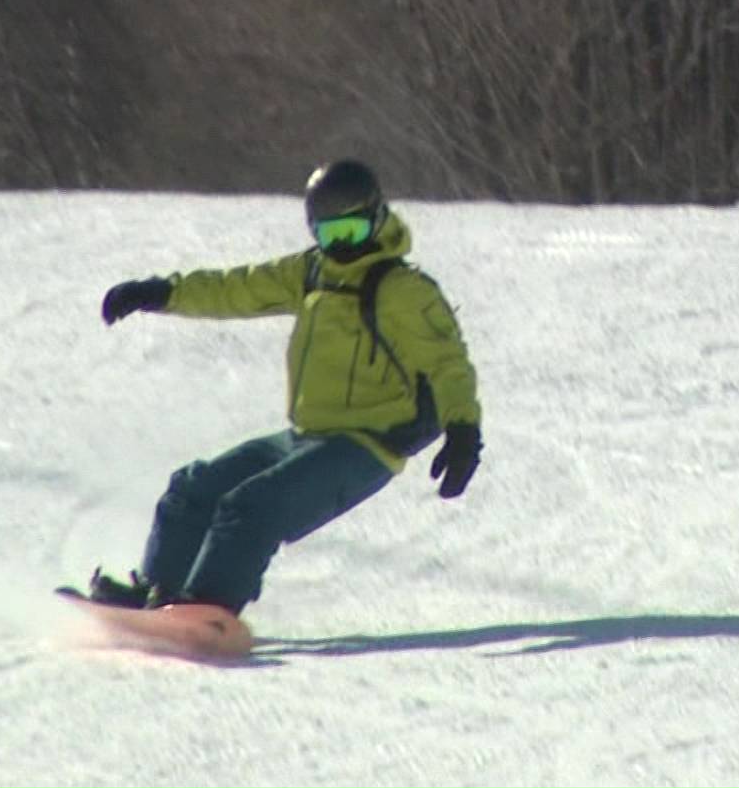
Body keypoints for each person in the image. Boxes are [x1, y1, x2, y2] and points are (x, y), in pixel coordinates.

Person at [79, 158, 482, 616]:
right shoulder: (311, 272)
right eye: (331, 235)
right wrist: (158, 293)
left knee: (254, 505)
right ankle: (158, 591)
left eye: (353, 231)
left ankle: (208, 608)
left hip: (366, 445)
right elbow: (235, 288)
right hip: (306, 436)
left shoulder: (403, 290)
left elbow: (448, 364)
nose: (343, 246)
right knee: (195, 488)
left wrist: (463, 431)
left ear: (377, 218)